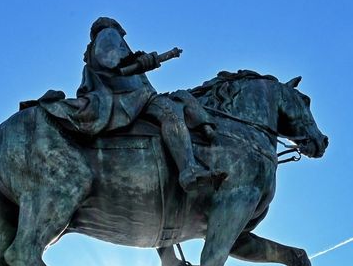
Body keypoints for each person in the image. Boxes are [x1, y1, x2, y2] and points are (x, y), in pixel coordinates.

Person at [40, 17, 223, 191]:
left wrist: (142, 60)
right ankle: (189, 170)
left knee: (182, 95)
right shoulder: (109, 34)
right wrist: (143, 61)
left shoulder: (103, 41)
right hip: (130, 98)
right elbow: (113, 62)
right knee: (170, 113)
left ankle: (206, 127)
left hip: (135, 96)